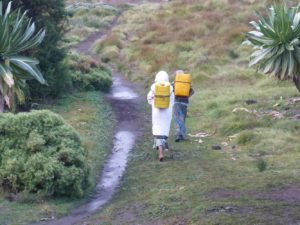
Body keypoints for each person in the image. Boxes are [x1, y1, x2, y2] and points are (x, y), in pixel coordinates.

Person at [147, 71, 174, 161]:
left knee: (157, 131)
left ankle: (160, 152)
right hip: (167, 113)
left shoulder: (154, 87)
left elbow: (149, 99)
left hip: (157, 112)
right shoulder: (170, 88)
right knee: (164, 131)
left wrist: (154, 104)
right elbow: (172, 102)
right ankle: (162, 148)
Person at [173, 70, 194, 142]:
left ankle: (178, 134)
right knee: (182, 118)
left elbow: (171, 91)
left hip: (176, 102)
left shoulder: (175, 83)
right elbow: (192, 91)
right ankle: (182, 134)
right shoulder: (187, 83)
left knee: (177, 118)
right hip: (185, 103)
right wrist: (187, 96)